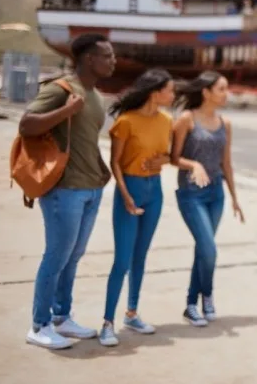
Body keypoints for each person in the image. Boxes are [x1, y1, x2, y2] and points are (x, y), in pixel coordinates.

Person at [19, 33, 117, 350]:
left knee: (73, 257)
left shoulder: (97, 97)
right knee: (56, 256)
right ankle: (39, 325)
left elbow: (86, 140)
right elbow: (27, 124)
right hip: (64, 190)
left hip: (90, 187)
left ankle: (62, 317)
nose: (113, 61)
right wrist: (65, 111)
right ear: (90, 59)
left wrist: (102, 172)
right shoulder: (61, 90)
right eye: (108, 56)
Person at [98, 68, 176, 347]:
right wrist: (125, 194)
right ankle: (107, 323)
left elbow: (167, 155)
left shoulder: (167, 121)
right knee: (122, 261)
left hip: (154, 191)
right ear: (155, 92)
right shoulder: (126, 121)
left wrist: (162, 161)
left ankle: (131, 314)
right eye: (170, 90)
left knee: (140, 256)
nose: (173, 95)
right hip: (128, 191)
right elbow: (115, 162)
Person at [171, 70, 245, 327]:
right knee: (209, 249)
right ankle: (205, 295)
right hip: (191, 194)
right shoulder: (186, 119)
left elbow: (226, 163)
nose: (226, 94)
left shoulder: (226, 123)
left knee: (203, 249)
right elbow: (173, 157)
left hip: (216, 193)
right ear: (206, 92)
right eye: (221, 89)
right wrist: (194, 165)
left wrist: (234, 198)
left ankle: (193, 304)